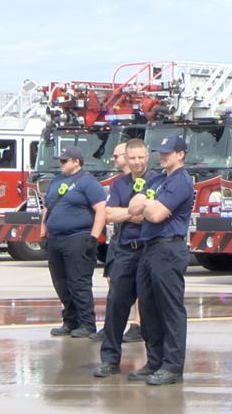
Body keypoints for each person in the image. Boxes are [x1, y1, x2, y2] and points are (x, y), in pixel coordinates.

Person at [125, 135, 194, 385]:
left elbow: (155, 215)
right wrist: (146, 202)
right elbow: (132, 206)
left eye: (168, 152)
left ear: (180, 154)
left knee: (170, 308)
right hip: (149, 248)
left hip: (168, 248)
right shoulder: (157, 179)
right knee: (148, 307)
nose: (162, 156)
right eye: (160, 152)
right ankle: (155, 360)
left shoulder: (180, 182)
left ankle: (173, 366)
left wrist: (146, 202)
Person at [92, 139, 158, 377]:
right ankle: (109, 360)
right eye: (132, 158)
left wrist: (128, 213)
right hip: (125, 250)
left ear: (147, 156)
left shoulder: (158, 181)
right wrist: (136, 212)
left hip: (150, 249)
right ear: (126, 159)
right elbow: (109, 213)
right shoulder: (119, 184)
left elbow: (156, 215)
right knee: (116, 305)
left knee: (151, 308)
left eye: (141, 157)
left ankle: (153, 362)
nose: (137, 161)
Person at [42, 146, 106, 338]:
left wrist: (94, 237)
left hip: (77, 238)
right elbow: (47, 208)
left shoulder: (88, 182)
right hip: (55, 239)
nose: (60, 164)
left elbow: (101, 210)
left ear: (76, 161)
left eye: (64, 161)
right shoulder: (56, 180)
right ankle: (70, 321)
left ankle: (87, 323)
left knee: (79, 282)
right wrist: (42, 232)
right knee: (61, 283)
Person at [91, 142, 144, 344]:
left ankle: (138, 324)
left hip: (141, 242)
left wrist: (124, 214)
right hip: (119, 239)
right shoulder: (118, 183)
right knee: (114, 282)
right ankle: (112, 328)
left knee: (140, 286)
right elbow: (110, 214)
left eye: (116, 156)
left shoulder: (151, 181)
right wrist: (131, 213)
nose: (113, 160)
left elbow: (149, 215)